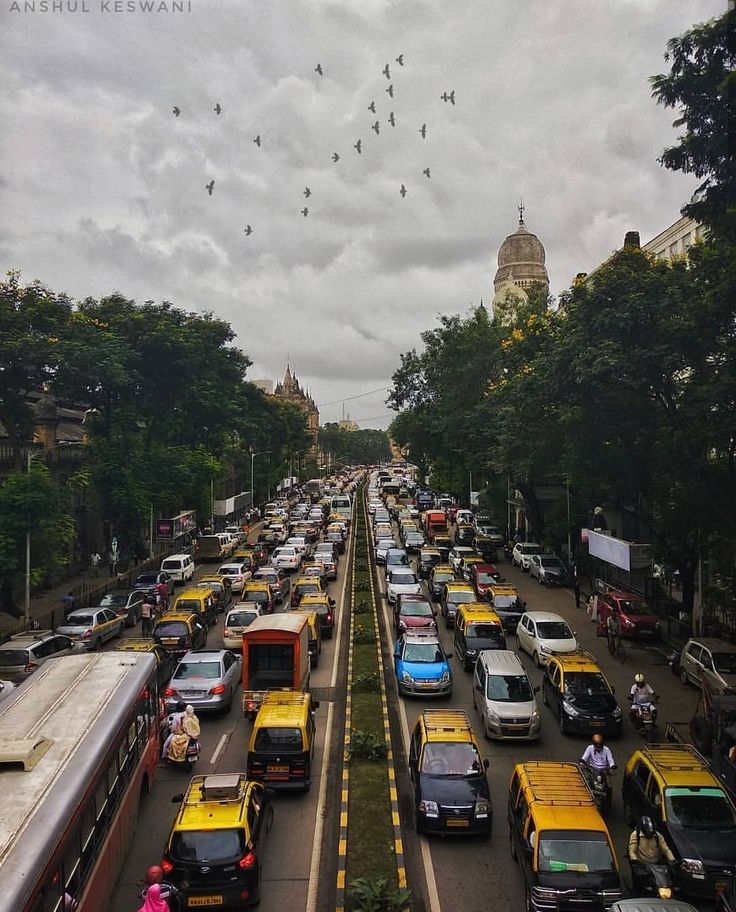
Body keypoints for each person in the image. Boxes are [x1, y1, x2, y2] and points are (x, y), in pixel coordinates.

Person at [628, 815, 675, 894]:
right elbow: (632, 850)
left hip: (656, 866)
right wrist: (634, 860)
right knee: (639, 886)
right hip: (642, 866)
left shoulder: (658, 836)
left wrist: (672, 860)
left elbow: (666, 849)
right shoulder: (635, 835)